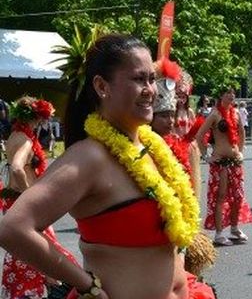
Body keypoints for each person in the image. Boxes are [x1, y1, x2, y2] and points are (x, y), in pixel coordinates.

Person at [0, 33, 215, 299]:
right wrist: (83, 283)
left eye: (151, 79)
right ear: (102, 86)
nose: (151, 90)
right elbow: (13, 227)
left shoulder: (154, 146)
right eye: (138, 79)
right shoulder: (90, 157)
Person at [0, 96, 78, 299]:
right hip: (24, 203)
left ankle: (28, 290)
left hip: (13, 201)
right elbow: (17, 168)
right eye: (40, 120)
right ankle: (54, 287)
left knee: (23, 249)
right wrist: (29, 195)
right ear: (34, 119)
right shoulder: (26, 140)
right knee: (47, 250)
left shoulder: (13, 136)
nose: (41, 124)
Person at [150, 58, 216, 277]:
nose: (170, 121)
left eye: (171, 115)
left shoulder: (186, 116)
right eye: (163, 116)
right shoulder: (143, 145)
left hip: (185, 156)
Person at [196, 86, 252, 246]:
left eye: (233, 93)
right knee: (221, 197)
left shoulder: (236, 113)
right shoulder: (215, 114)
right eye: (228, 93)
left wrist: (240, 152)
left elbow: (241, 133)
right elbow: (200, 135)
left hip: (235, 161)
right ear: (221, 96)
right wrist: (206, 156)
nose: (231, 95)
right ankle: (219, 233)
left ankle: (234, 228)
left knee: (237, 196)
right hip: (220, 162)